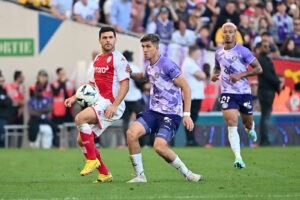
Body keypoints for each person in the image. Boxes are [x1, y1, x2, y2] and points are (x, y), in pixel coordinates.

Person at [126, 34, 202, 183]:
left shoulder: (167, 65)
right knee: (131, 134)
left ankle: (188, 174)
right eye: (143, 46)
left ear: (156, 48)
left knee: (159, 147)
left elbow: (186, 87)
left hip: (171, 114)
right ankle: (140, 176)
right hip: (154, 112)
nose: (145, 50)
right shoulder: (150, 66)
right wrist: (130, 74)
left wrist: (187, 114)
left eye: (148, 46)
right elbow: (144, 76)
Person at [64, 27, 130, 183]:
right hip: (101, 101)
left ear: (115, 39)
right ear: (99, 40)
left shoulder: (119, 59)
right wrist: (74, 97)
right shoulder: (98, 59)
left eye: (110, 37)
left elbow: (125, 85)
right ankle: (105, 174)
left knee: (80, 118)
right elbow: (91, 84)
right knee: (82, 141)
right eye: (105, 37)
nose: (108, 40)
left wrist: (114, 105)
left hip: (111, 104)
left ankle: (92, 159)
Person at [211, 22, 263, 169]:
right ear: (222, 34)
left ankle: (250, 129)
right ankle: (238, 158)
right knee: (232, 124)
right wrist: (214, 75)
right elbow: (216, 67)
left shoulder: (244, 51)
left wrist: (241, 75)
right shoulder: (218, 53)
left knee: (247, 123)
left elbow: (259, 69)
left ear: (235, 34)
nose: (227, 34)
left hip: (244, 93)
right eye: (225, 32)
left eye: (230, 32)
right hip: (227, 93)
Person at [257, 40, 280, 146]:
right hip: (266, 91)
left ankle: (264, 139)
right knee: (265, 116)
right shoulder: (262, 60)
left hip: (266, 90)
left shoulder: (264, 59)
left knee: (265, 116)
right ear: (260, 48)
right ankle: (264, 140)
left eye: (268, 47)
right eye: (265, 47)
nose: (267, 49)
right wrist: (278, 83)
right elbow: (269, 76)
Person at [182, 45, 206, 146]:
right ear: (194, 52)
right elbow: (202, 76)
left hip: (194, 95)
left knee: (192, 118)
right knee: (191, 118)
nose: (199, 55)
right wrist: (203, 74)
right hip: (193, 96)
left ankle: (191, 140)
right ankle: (190, 140)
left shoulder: (190, 63)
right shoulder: (189, 63)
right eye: (198, 53)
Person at [122, 50, 144, 146]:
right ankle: (144, 143)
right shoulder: (134, 67)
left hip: (125, 98)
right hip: (136, 98)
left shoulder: (120, 68)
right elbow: (140, 84)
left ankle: (128, 143)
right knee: (143, 120)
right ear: (130, 58)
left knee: (125, 122)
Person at [0, 73, 13, 147]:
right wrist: (4, 101)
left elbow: (10, 101)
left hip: (4, 117)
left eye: (3, 81)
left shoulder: (4, 90)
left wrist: (4, 100)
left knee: (3, 136)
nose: (2, 83)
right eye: (0, 81)